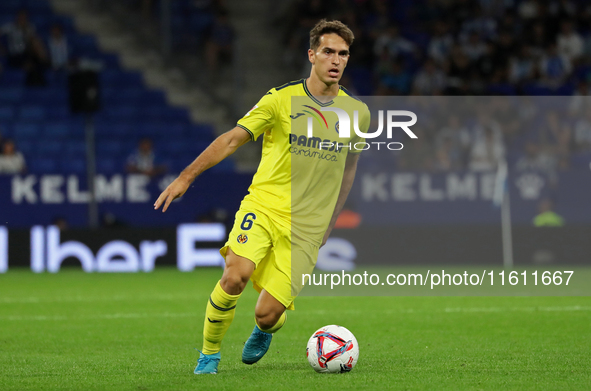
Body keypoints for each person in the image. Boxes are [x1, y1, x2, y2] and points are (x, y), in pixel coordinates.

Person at [154, 19, 369, 374]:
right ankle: (209, 355)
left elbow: (349, 170)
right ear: (312, 55)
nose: (336, 60)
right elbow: (232, 139)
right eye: (328, 51)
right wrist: (186, 177)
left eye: (343, 54)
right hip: (264, 207)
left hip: (307, 228)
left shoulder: (357, 113)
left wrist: (330, 223)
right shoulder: (280, 99)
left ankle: (265, 329)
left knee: (267, 314)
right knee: (235, 276)